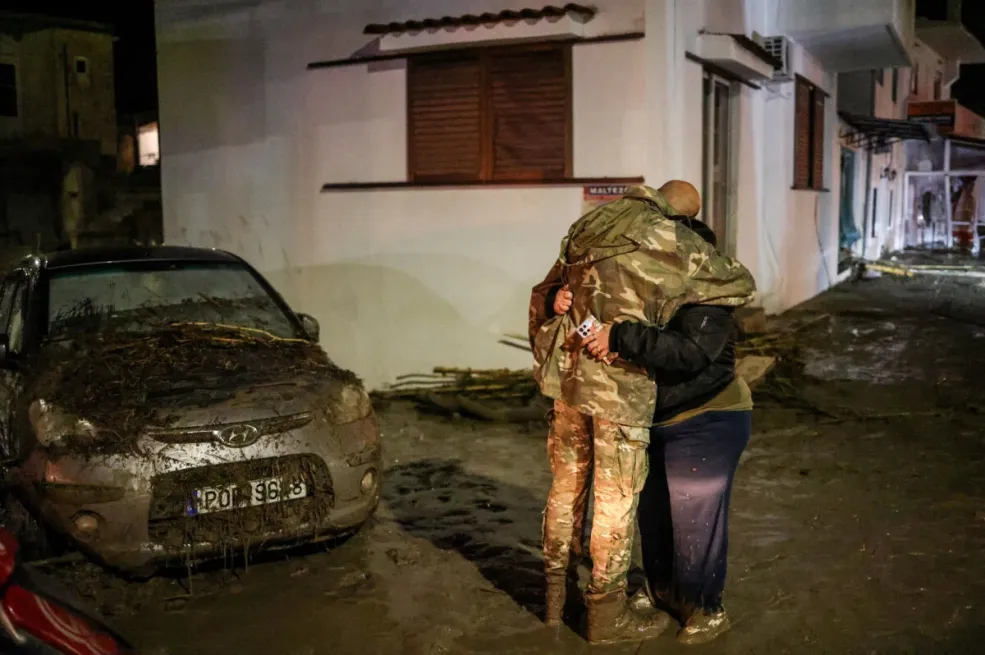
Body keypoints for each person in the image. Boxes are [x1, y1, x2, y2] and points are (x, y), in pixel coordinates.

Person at [528, 182, 756, 644]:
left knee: (682, 515)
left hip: (687, 411)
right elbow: (561, 285)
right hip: (632, 405)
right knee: (635, 508)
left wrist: (611, 332)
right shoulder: (656, 256)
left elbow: (694, 352)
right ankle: (632, 602)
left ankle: (698, 606)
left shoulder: (604, 234)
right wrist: (561, 298)